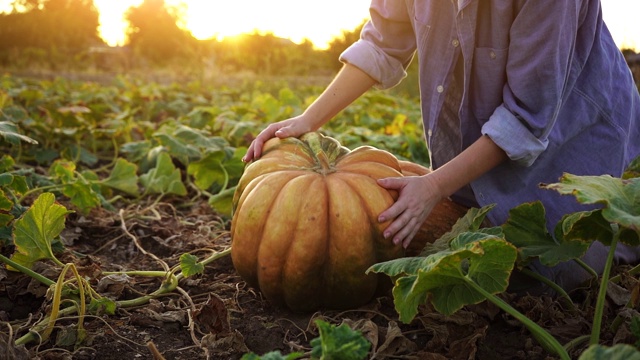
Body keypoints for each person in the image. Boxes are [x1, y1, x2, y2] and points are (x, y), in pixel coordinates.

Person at [242, 1, 640, 294]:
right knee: (457, 230)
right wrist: (309, 119)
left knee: (552, 271)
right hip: (493, 138)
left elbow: (525, 119)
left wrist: (433, 187)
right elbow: (382, 43)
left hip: (575, 133)